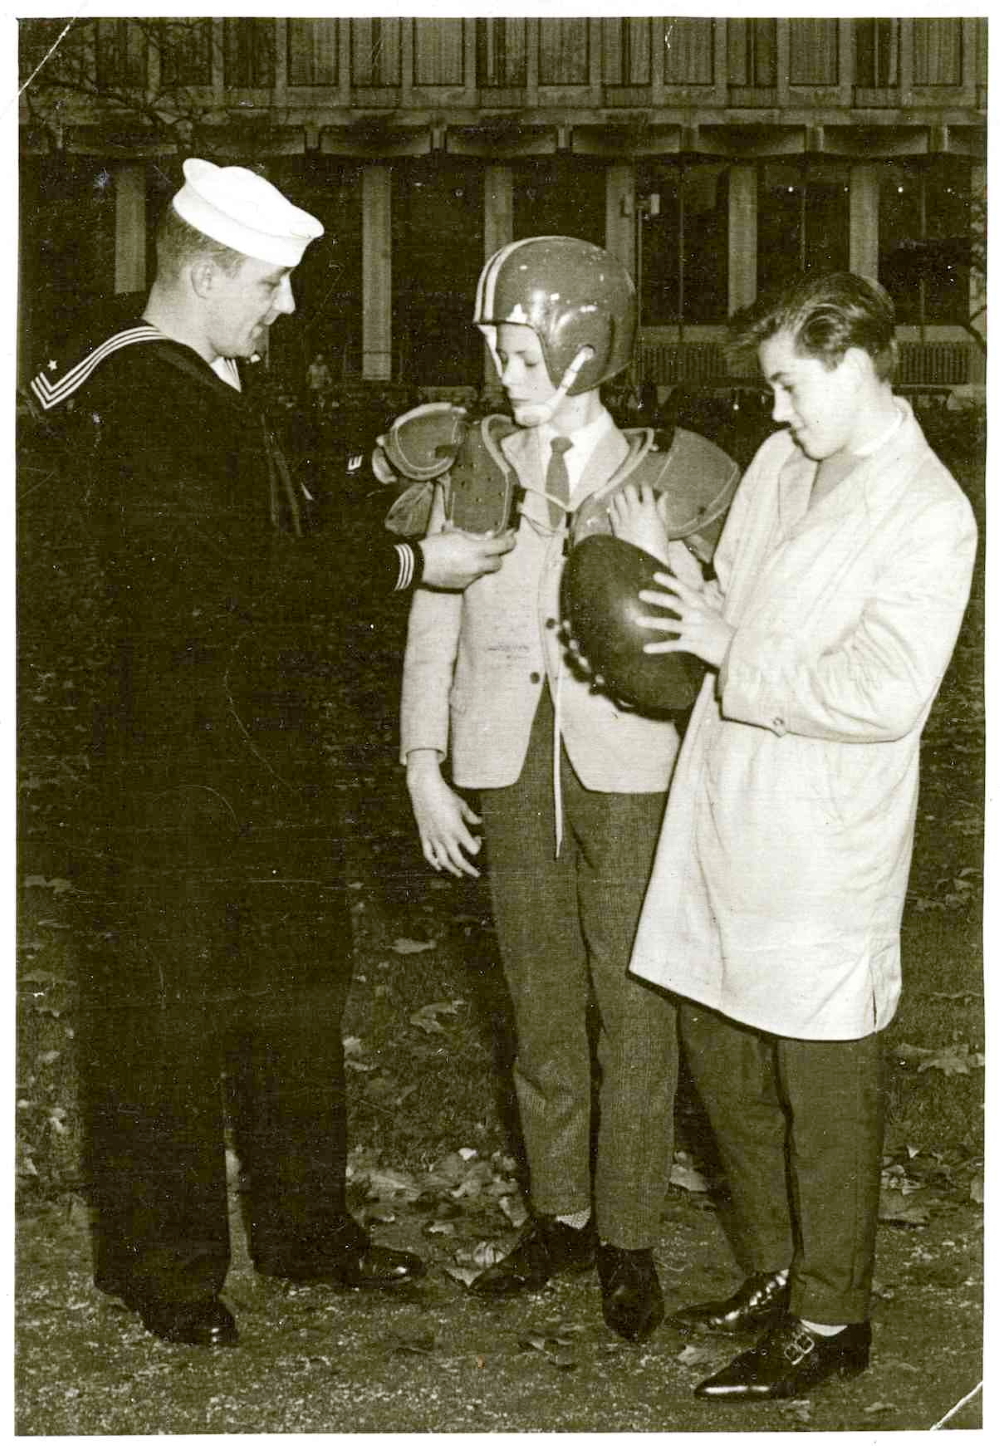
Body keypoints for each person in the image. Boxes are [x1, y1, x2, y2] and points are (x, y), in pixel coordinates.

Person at [27, 157, 513, 1349]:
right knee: (167, 1010)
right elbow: (222, 579)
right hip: (165, 763)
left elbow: (268, 523)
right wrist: (409, 566)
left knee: (296, 988)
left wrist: (382, 473)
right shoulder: (134, 394)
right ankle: (164, 1269)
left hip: (264, 749)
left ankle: (308, 1231)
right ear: (203, 272)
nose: (288, 305)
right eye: (274, 282)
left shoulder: (212, 378)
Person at [612, 271, 977, 1399]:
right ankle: (773, 1265)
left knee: (824, 1082)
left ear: (858, 359)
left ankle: (832, 1317)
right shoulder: (782, 465)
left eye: (787, 384)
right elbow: (727, 602)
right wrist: (657, 565)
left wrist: (728, 647)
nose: (773, 410)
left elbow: (883, 693)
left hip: (825, 832)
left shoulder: (930, 509)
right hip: (726, 799)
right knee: (720, 1047)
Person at [399, 236, 739, 1343]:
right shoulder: (471, 459)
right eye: (495, 347)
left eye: (523, 345)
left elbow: (708, 626)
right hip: (503, 761)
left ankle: (629, 1233)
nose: (506, 368)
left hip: (631, 763)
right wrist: (421, 767)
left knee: (634, 1007)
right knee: (538, 1003)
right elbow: (434, 619)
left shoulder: (672, 468)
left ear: (586, 341)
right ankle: (560, 1213)